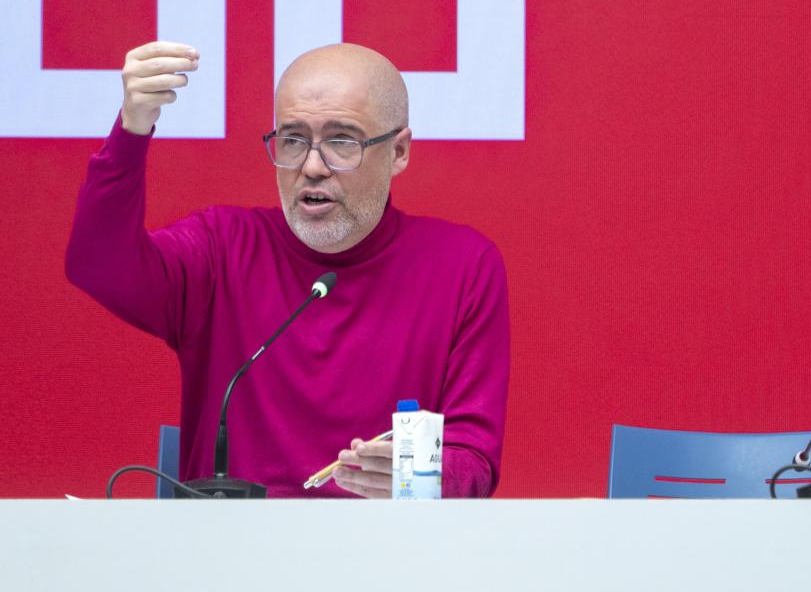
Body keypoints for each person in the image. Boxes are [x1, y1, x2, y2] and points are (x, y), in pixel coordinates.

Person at [66, 41, 509, 497]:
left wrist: (420, 475)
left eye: (342, 141)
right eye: (294, 140)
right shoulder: (221, 249)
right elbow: (97, 264)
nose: (312, 167)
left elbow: (473, 459)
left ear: (398, 152)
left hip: (387, 558)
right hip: (232, 559)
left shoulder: (464, 266)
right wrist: (132, 129)